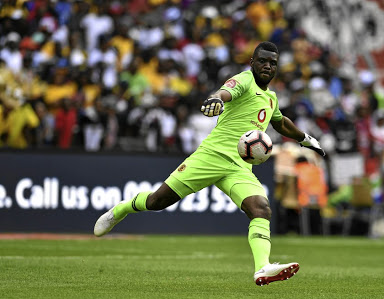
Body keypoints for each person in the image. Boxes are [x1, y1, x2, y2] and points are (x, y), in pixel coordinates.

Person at [93, 42, 325, 286]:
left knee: (261, 209)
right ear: (252, 62)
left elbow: (280, 122)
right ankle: (121, 209)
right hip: (211, 157)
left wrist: (306, 139)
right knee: (157, 201)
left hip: (239, 167)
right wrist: (215, 100)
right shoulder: (244, 80)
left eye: (273, 63)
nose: (268, 66)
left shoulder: (271, 97)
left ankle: (262, 267)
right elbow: (223, 92)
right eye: (263, 61)